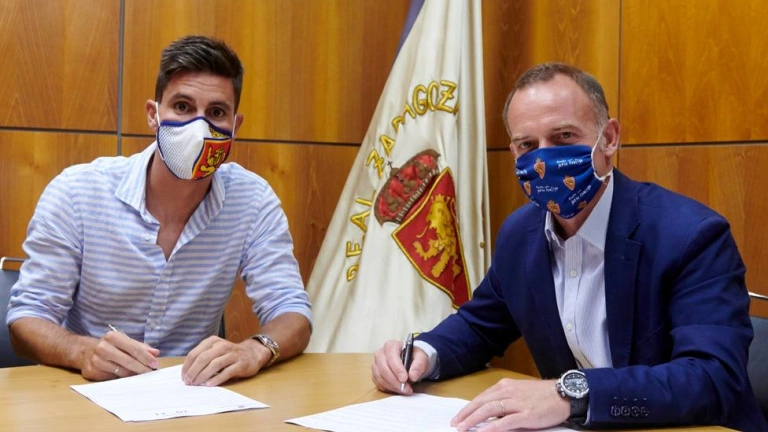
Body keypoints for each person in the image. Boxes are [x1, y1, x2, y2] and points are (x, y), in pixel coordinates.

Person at [372, 63, 766, 431]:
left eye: (564, 137)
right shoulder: (521, 234)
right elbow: (480, 325)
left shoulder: (691, 235)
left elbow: (713, 377)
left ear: (608, 139)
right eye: (528, 144)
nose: (544, 157)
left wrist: (572, 394)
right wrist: (424, 353)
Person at [6, 35, 312, 386]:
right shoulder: (77, 192)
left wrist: (255, 349)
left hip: (191, 396)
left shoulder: (252, 201)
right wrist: (82, 351)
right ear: (154, 115)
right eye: (182, 107)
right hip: (87, 389)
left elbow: (292, 311)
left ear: (234, 127)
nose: (199, 128)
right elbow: (27, 318)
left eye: (216, 113)